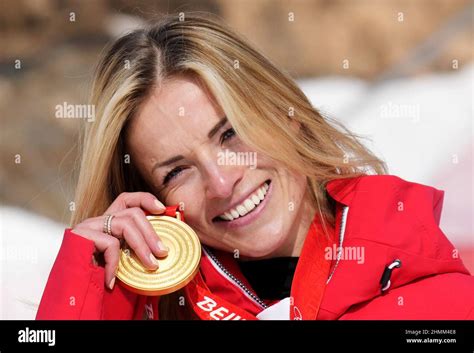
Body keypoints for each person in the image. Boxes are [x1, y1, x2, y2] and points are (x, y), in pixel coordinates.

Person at [36, 13, 473, 320]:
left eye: (230, 133)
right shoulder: (148, 309)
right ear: (150, 201)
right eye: (176, 172)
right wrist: (89, 295)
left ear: (286, 114)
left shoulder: (428, 291)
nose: (222, 183)